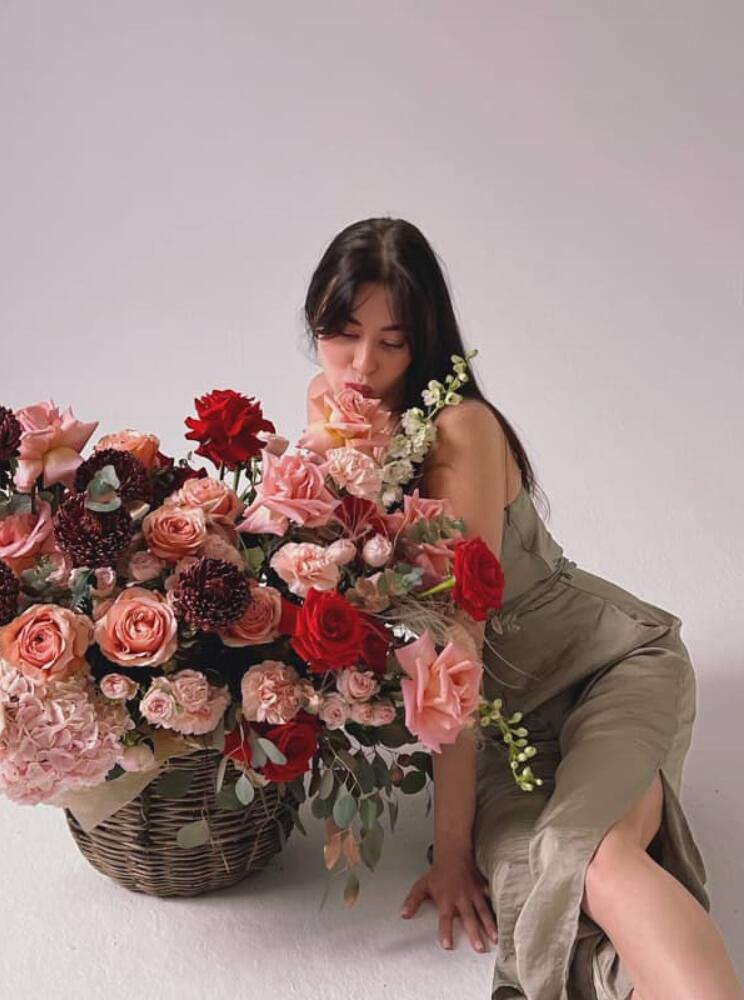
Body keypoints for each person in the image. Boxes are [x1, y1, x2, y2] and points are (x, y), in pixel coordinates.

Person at [301, 217, 742, 1000]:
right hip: (506, 736)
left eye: (392, 343)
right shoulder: (333, 419)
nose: (362, 366)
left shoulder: (460, 430)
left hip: (603, 670)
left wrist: (448, 852)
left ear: (425, 343)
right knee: (539, 900)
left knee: (591, 856)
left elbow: (457, 647)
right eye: (343, 335)